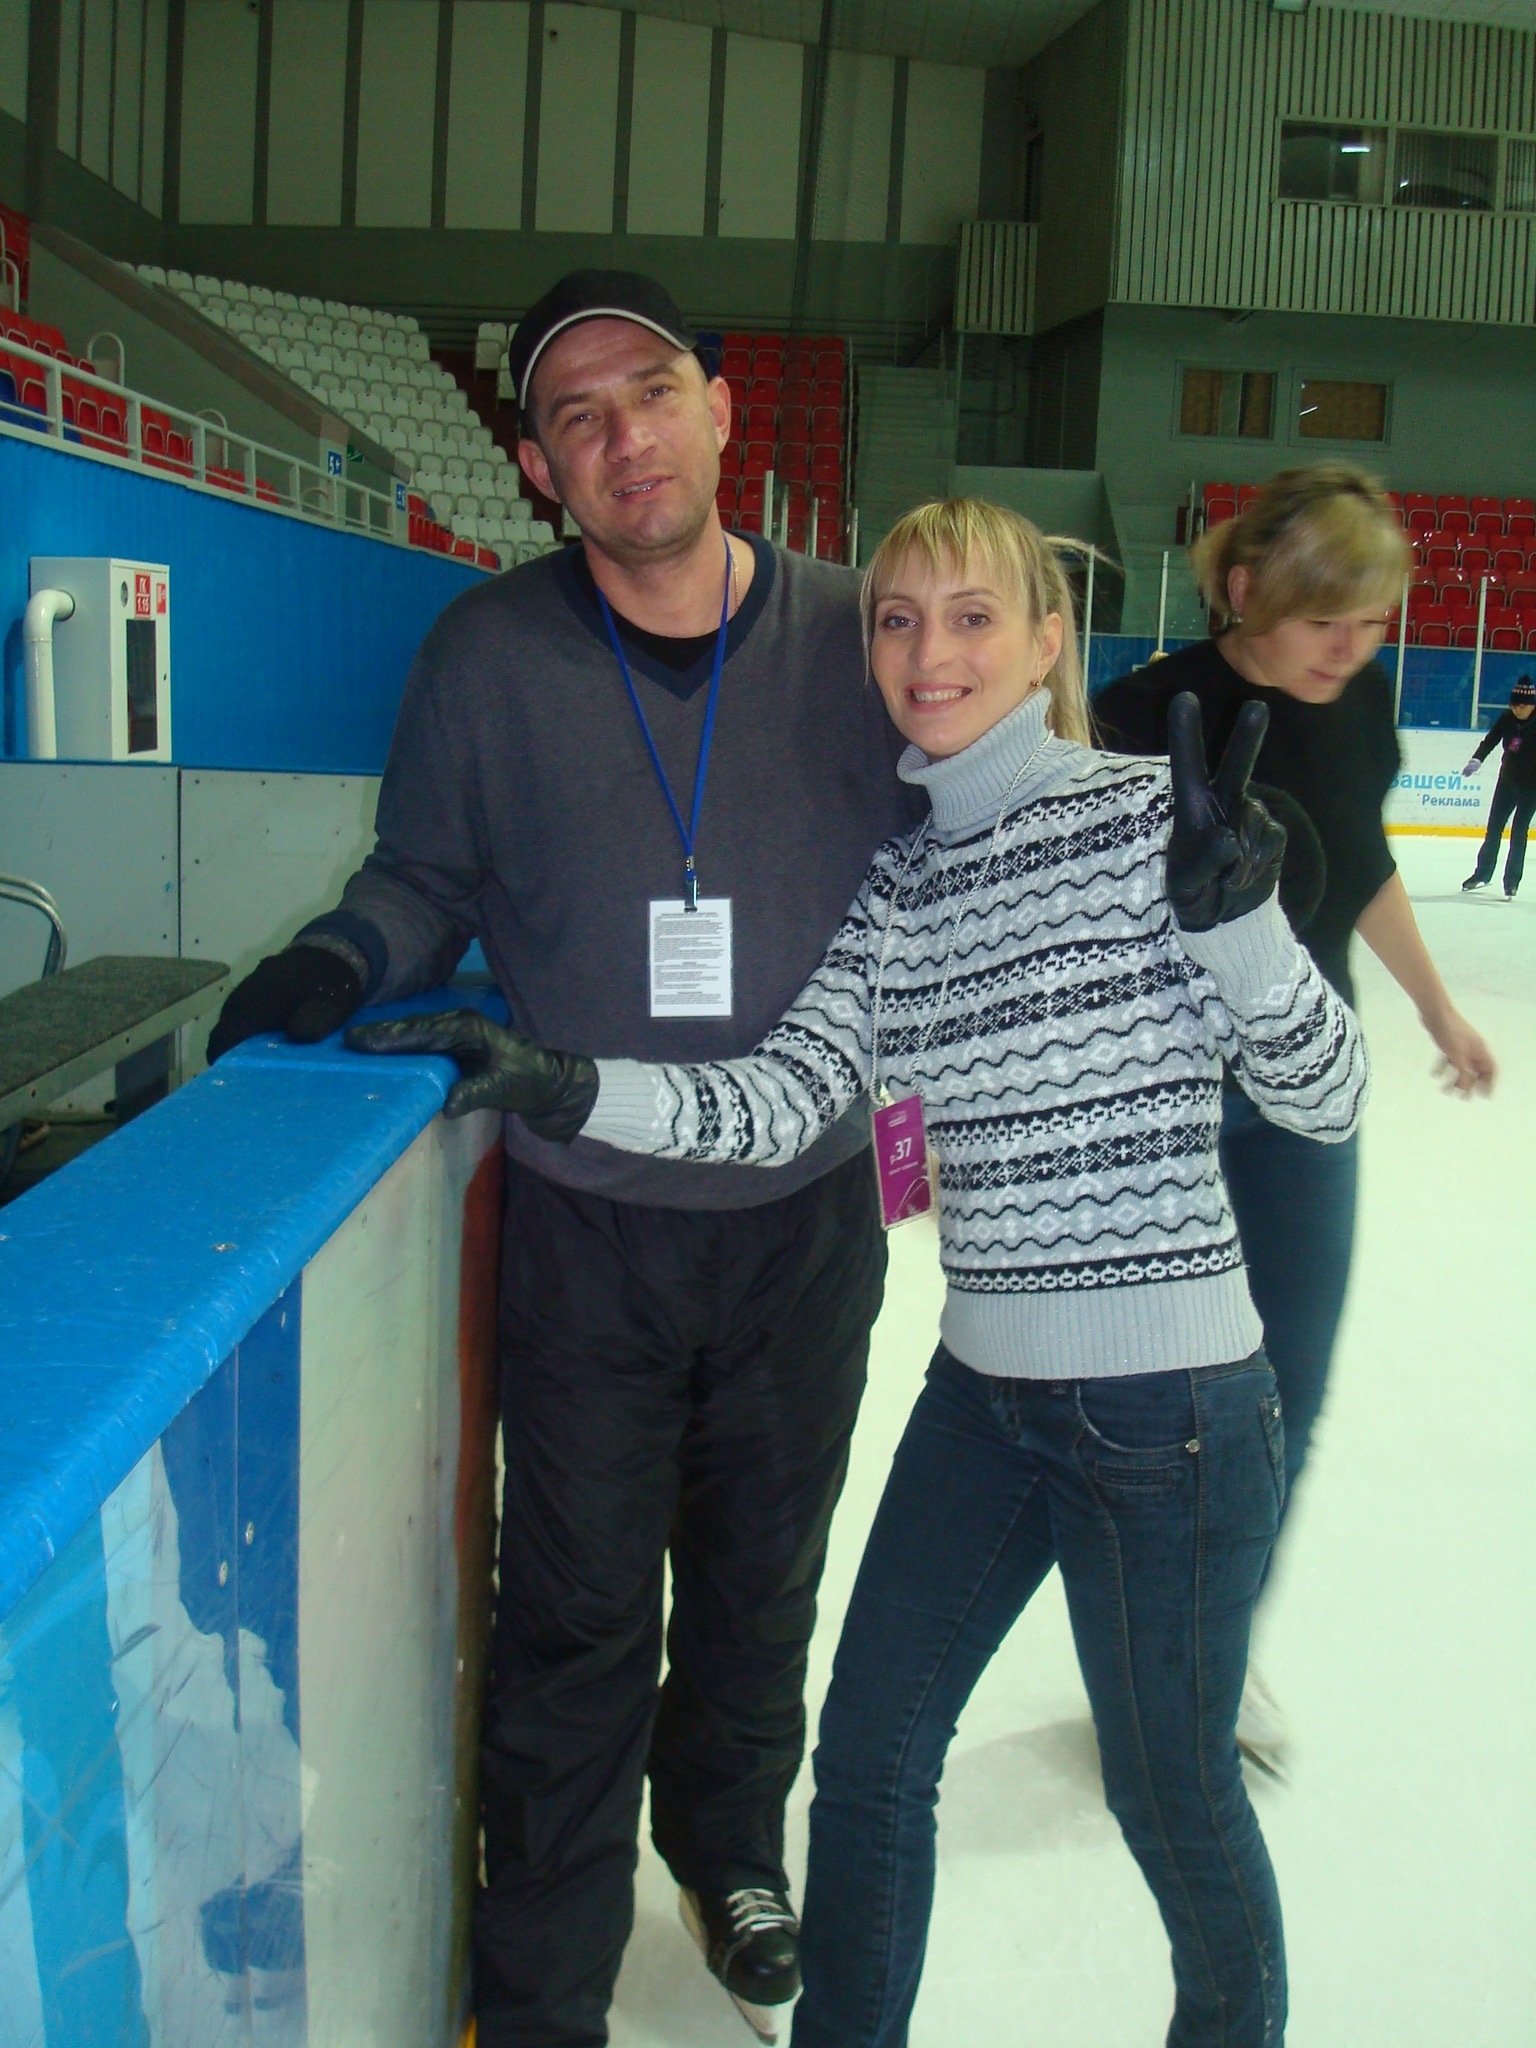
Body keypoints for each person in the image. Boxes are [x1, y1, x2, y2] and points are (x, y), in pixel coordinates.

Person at [349, 498, 1371, 2048]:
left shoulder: (1152, 822)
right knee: (872, 1763)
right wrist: (562, 1085)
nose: (928, 652)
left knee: (1173, 1802)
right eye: (897, 619)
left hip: (1167, 1410)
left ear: (1047, 641)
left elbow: (1328, 1097)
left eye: (973, 616)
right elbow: (781, 1100)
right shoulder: (902, 887)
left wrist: (1241, 931)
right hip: (984, 1404)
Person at [205, 270, 922, 2048]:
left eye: (651, 392)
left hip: (810, 1216)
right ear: (536, 465)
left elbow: (988, 809)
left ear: (720, 411)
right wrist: (333, 962)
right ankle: (540, 1992)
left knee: (762, 1576)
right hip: (592, 1225)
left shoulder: (858, 632)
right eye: (577, 417)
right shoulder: (485, 655)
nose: (625, 438)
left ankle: (729, 1844)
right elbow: (419, 879)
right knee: (579, 1615)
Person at [1093, 464, 1497, 1774]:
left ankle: (1213, 1649)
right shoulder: (1143, 716)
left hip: (1307, 1093)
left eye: (1375, 622)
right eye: (1327, 618)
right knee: (1157, 1399)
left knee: (1291, 1389)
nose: (1352, 649)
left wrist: (1436, 1008)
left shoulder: (1359, 702)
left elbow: (1361, 859)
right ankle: (1148, 1645)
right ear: (1244, 585)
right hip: (1167, 1101)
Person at [1461, 674, 1536, 898]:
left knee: (1519, 831)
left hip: (1532, 786)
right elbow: (1490, 741)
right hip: (1508, 781)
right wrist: (1477, 759)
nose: (1517, 710)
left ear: (1532, 705)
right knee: (1494, 827)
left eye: (1522, 706)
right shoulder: (1506, 718)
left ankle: (1511, 881)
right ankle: (1482, 873)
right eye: (1514, 705)